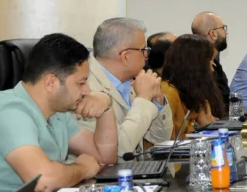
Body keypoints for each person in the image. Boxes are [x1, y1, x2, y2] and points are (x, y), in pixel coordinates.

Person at [0, 33, 118, 192]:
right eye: (81, 83)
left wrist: (106, 105)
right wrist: (83, 168)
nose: (87, 91)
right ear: (51, 82)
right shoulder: (8, 111)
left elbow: (104, 157)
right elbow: (43, 180)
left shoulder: (57, 113)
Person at [80, 17, 173, 156]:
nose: (146, 56)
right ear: (126, 56)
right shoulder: (85, 87)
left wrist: (158, 101)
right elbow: (119, 150)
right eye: (144, 50)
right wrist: (144, 98)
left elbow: (160, 139)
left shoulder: (131, 80)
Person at [162, 34, 225, 138]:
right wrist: (204, 128)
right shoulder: (168, 93)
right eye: (209, 62)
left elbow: (208, 120)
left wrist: (207, 124)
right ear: (194, 65)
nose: (212, 69)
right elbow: (172, 139)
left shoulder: (191, 92)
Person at [191, 11, 231, 114]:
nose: (226, 33)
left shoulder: (215, 64)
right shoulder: (198, 70)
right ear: (213, 34)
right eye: (223, 28)